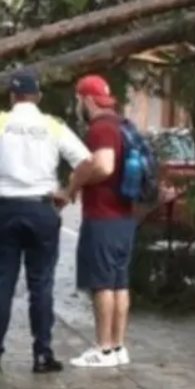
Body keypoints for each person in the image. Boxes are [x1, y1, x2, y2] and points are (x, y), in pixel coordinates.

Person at [0, 69, 94, 374]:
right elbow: (86, 162)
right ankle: (42, 354)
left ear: (11, 97)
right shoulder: (52, 127)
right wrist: (69, 193)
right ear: (39, 97)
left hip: (5, 210)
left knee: (2, 283)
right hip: (41, 209)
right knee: (41, 284)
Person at [65, 74, 141, 368]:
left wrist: (74, 184)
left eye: (77, 100)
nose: (77, 107)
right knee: (119, 283)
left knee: (102, 284)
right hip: (124, 217)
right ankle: (119, 346)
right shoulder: (124, 125)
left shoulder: (100, 129)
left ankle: (104, 348)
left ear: (87, 99)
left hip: (103, 217)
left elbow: (104, 166)